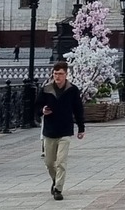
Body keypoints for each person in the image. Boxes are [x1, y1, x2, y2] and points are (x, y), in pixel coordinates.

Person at [35, 62, 86, 201]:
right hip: (50, 130)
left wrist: (81, 128)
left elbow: (78, 109)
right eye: (55, 74)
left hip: (65, 130)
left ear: (66, 74)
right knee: (49, 162)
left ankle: (58, 188)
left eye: (60, 74)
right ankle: (55, 179)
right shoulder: (46, 89)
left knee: (61, 162)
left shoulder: (72, 90)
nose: (57, 76)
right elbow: (37, 106)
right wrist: (42, 111)